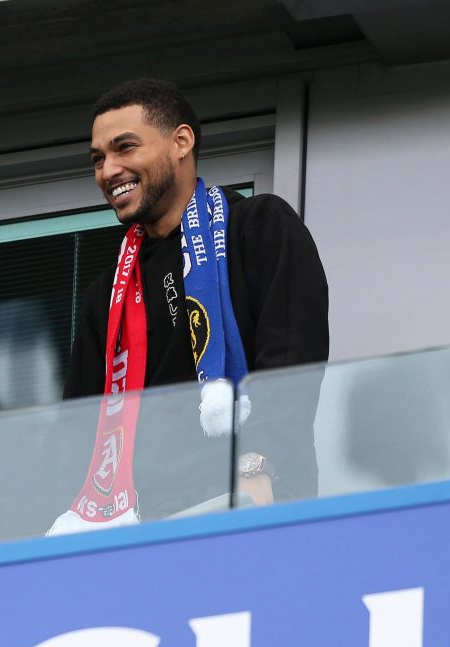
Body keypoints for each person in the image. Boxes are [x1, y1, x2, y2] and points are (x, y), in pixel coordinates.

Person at [53, 79, 328, 530]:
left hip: (248, 504)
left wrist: (259, 469)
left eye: (125, 148)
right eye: (99, 159)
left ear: (181, 141)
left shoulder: (256, 226)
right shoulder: (107, 292)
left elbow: (292, 357)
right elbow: (76, 429)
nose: (108, 171)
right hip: (133, 525)